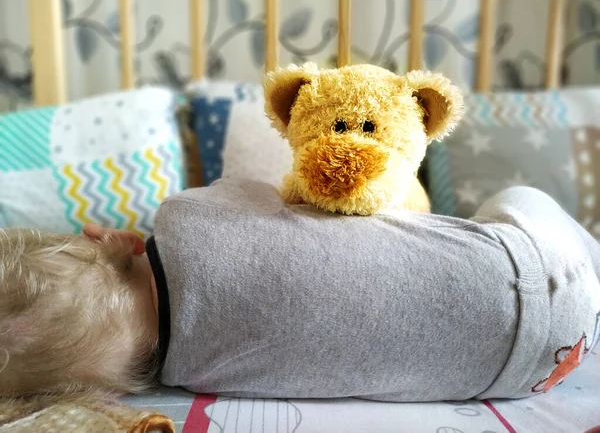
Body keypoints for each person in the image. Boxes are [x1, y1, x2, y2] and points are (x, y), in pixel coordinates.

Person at [1, 178, 599, 401]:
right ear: (110, 238)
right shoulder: (183, 215)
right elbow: (285, 198)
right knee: (513, 197)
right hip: (540, 264)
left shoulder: (203, 379)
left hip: (523, 379)